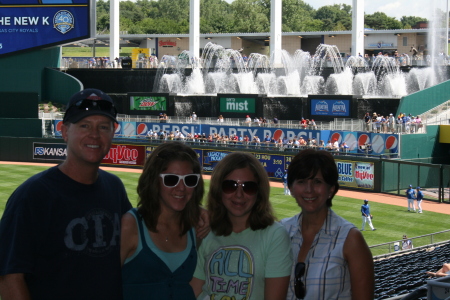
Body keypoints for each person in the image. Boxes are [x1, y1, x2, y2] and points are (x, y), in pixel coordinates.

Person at [0, 88, 132, 300]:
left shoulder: (114, 187)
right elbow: (9, 278)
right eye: (84, 125)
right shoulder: (32, 195)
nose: (95, 135)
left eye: (103, 127)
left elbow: (138, 239)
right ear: (64, 131)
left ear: (112, 133)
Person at [190, 152, 292, 300]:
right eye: (230, 186)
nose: (239, 194)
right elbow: (194, 290)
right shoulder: (206, 231)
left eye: (248, 187)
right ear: (219, 189)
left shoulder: (275, 235)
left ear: (259, 191)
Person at [281, 149, 374, 300]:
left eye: (317, 182)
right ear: (291, 188)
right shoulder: (281, 231)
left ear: (331, 189)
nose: (309, 189)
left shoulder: (351, 239)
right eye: (301, 181)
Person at [121, 142, 206, 300]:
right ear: (154, 181)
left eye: (190, 180)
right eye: (171, 179)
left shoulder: (196, 226)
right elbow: (103, 286)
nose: (181, 188)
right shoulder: (131, 225)